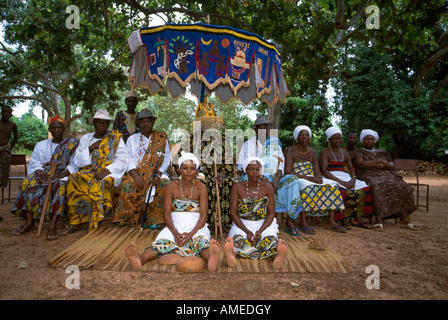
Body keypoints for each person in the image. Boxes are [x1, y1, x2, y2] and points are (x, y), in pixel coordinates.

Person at [124, 153, 222, 272]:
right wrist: (175, 234)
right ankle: (140, 259)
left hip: (196, 227)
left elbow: (203, 216)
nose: (189, 172)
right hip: (174, 227)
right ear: (179, 170)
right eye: (185, 168)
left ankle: (211, 258)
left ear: (196, 171)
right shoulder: (171, 186)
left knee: (201, 243)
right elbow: (166, 214)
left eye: (192, 169)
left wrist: (191, 234)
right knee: (160, 244)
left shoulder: (201, 187)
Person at [59, 109, 128, 235]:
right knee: (73, 179)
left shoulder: (115, 138)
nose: (102, 125)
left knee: (100, 183)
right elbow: (77, 161)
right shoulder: (86, 139)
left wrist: (107, 171)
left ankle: (96, 221)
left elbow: (123, 160)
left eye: (105, 123)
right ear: (94, 124)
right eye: (99, 122)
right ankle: (74, 222)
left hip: (107, 173)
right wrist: (90, 148)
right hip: (87, 173)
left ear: (108, 125)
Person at [11, 116, 79, 240]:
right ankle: (29, 221)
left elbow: (75, 164)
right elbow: (35, 163)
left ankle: (52, 224)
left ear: (63, 129)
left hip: (60, 176)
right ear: (50, 130)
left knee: (60, 186)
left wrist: (61, 174)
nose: (57, 130)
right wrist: (39, 172)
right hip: (43, 175)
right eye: (54, 128)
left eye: (59, 128)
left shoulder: (71, 145)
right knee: (26, 182)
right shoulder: (41, 145)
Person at [275, 125, 346, 235]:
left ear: (310, 138)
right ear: (296, 138)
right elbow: (288, 172)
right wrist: (310, 178)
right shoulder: (290, 150)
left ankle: (331, 221)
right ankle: (303, 221)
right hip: (297, 177)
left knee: (332, 185)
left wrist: (317, 177)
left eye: (307, 135)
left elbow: (317, 169)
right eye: (301, 135)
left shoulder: (312, 152)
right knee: (306, 186)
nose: (304, 137)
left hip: (311, 177)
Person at [223, 157, 289, 270]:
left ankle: (276, 256)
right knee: (238, 239)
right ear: (245, 171)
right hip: (242, 224)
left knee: (270, 240)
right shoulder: (237, 187)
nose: (255, 172)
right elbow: (233, 213)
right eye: (251, 169)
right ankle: (232, 255)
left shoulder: (268, 187)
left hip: (264, 223)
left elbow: (271, 214)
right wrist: (247, 231)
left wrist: (260, 231)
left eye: (258, 169)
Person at [113, 109, 171, 229]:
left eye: (148, 121)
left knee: (166, 185)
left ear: (153, 123)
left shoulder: (162, 137)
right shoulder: (132, 139)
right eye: (142, 122)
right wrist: (136, 177)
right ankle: (129, 219)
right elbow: (128, 159)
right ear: (138, 124)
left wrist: (159, 174)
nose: (145, 124)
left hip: (157, 174)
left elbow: (167, 158)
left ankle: (154, 219)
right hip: (136, 174)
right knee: (126, 186)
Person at [353, 129, 418, 231]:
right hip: (368, 175)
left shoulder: (382, 152)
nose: (369, 141)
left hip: (386, 175)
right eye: (366, 139)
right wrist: (377, 161)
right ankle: (379, 220)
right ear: (362, 140)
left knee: (405, 186)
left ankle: (404, 219)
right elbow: (360, 164)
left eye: (371, 139)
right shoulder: (359, 151)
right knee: (377, 186)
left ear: (375, 141)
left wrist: (385, 163)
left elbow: (392, 165)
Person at [319, 127, 373, 229]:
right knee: (339, 190)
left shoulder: (345, 153)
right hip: (331, 177)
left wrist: (352, 180)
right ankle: (342, 219)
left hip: (346, 176)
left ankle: (358, 219)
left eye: (339, 138)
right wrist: (342, 182)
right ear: (329, 140)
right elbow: (324, 171)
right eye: (334, 138)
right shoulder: (325, 152)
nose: (337, 141)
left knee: (364, 188)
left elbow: (352, 169)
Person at [237, 116, 284, 193]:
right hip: (254, 176)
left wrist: (276, 180)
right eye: (260, 129)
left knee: (292, 180)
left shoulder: (274, 143)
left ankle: (287, 205)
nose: (263, 131)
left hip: (274, 177)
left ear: (268, 130)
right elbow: (244, 166)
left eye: (265, 129)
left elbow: (281, 165)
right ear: (255, 130)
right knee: (246, 180)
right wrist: (263, 179)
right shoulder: (248, 144)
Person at [0, 105, 18, 188]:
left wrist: (10, 148)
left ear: (11, 114)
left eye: (8, 112)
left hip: (5, 150)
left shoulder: (13, 125)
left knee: (5, 168)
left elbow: (16, 137)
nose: (6, 114)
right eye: (4, 112)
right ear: (1, 113)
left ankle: (2, 185)